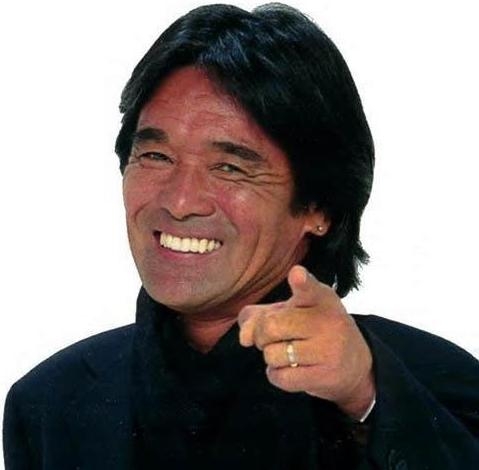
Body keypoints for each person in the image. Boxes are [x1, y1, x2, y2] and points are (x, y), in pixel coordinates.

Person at [3, 3, 479, 469]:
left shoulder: (432, 382)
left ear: (320, 207)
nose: (180, 202)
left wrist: (364, 396)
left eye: (230, 167)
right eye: (155, 157)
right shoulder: (49, 404)